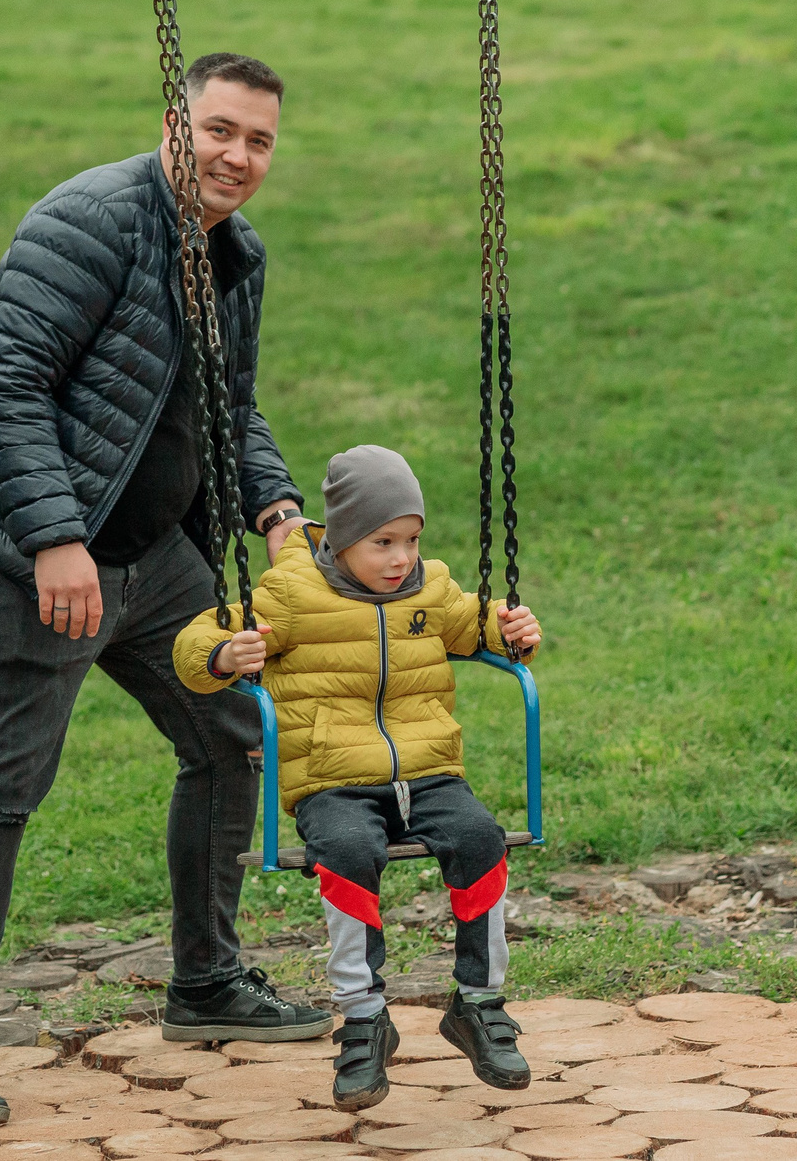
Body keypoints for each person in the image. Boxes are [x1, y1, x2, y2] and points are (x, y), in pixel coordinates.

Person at [0, 52, 328, 1130]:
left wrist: (277, 512)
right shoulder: (89, 219)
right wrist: (54, 541)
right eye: (221, 130)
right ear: (173, 122)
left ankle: (205, 982)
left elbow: (228, 408)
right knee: (2, 786)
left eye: (259, 140)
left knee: (234, 733)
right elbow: (8, 381)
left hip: (151, 554)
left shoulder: (235, 253)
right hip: (20, 546)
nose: (238, 156)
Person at [180, 446, 543, 1111]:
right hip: (333, 778)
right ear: (343, 538)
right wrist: (226, 652)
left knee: (480, 839)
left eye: (410, 539)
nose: (401, 557)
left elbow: (474, 624)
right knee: (348, 853)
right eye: (383, 541)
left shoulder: (429, 588)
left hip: (429, 771)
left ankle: (479, 1003)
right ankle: (363, 1019)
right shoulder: (290, 593)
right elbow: (195, 643)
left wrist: (512, 629)